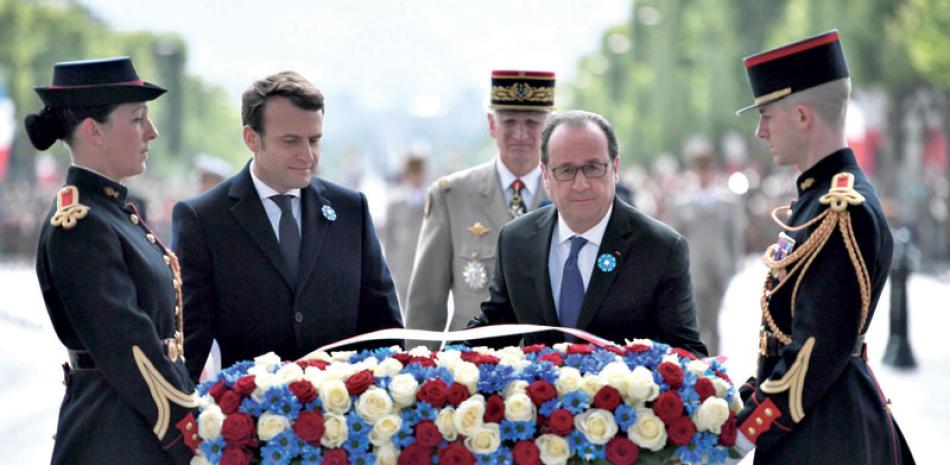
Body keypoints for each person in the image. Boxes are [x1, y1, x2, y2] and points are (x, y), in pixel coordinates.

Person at [729, 30, 914, 464]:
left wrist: (745, 429)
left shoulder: (840, 208)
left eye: (767, 116)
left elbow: (816, 349)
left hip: (828, 431)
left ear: (802, 115)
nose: (760, 131)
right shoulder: (819, 197)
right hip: (816, 422)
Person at [172, 71, 402, 381]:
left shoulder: (351, 211)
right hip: (249, 420)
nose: (307, 155)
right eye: (291, 141)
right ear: (251, 138)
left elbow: (384, 328)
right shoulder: (204, 219)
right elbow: (190, 341)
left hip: (349, 419)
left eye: (314, 140)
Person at [27, 57, 197, 465]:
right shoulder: (80, 224)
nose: (151, 133)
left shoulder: (113, 212)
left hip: (134, 428)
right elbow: (129, 345)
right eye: (138, 119)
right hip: (115, 435)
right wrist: (192, 431)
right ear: (94, 130)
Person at [468, 110, 707, 354]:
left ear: (615, 167)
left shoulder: (660, 247)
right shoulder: (516, 240)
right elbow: (496, 327)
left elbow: (686, 350)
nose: (580, 184)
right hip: (537, 389)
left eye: (593, 168)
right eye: (566, 170)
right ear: (546, 174)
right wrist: (437, 363)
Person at [405, 70, 553, 349]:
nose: (520, 134)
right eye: (509, 121)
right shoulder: (452, 195)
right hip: (471, 371)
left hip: (550, 371)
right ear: (491, 124)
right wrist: (419, 372)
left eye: (532, 122)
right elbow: (426, 303)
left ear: (549, 126)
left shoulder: (567, 194)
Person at [669, 147, 744, 355]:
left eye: (707, 169)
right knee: (696, 323)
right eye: (700, 170)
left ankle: (715, 364)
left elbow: (734, 237)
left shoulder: (726, 201)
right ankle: (698, 365)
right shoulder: (683, 202)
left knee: (715, 322)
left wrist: (734, 264)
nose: (703, 174)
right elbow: (675, 238)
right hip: (693, 271)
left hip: (719, 270)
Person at [381, 153, 428, 305]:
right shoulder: (396, 202)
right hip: (403, 264)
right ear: (405, 176)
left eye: (419, 172)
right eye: (412, 173)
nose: (416, 177)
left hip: (427, 262)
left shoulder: (433, 199)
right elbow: (389, 236)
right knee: (406, 306)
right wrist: (390, 264)